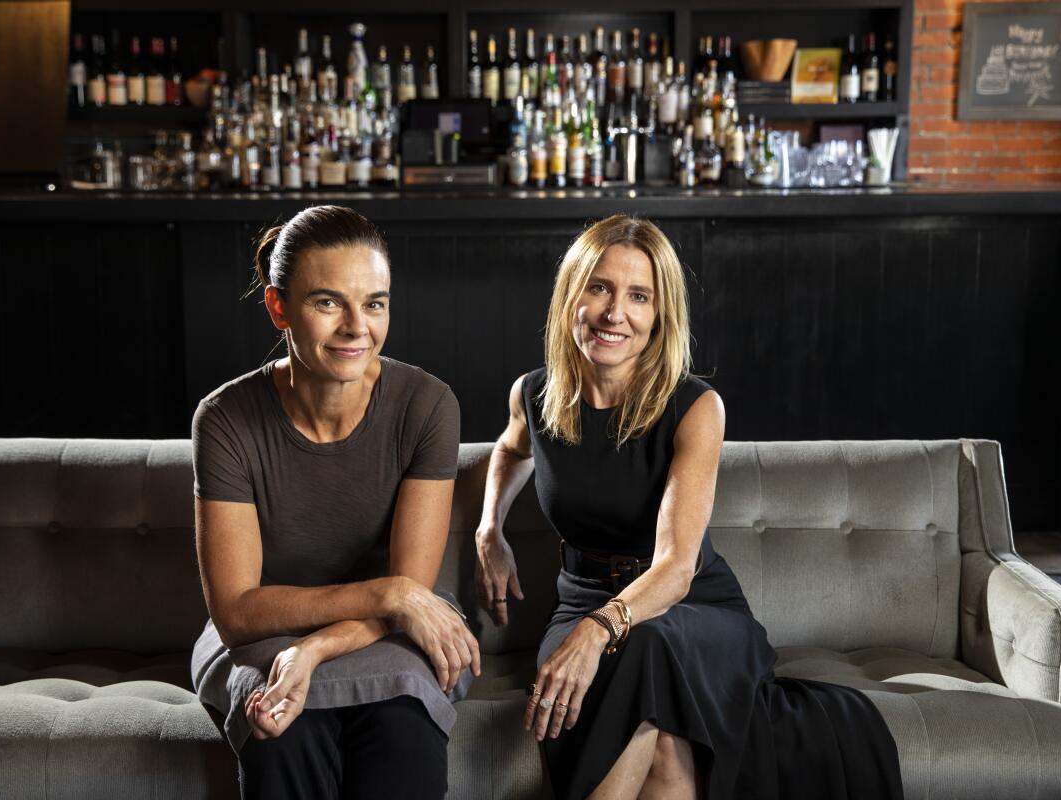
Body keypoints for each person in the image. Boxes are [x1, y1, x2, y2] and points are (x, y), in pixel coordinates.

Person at [474, 214, 903, 800]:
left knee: (646, 651)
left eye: (638, 296)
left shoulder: (695, 407)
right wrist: (488, 530)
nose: (613, 313)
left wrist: (597, 633)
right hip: (579, 601)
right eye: (598, 287)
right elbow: (509, 450)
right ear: (571, 295)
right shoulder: (535, 393)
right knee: (666, 747)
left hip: (691, 608)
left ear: (659, 314)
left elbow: (676, 567)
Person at [190, 205, 480, 800]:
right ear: (279, 308)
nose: (357, 327)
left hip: (386, 632)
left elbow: (411, 595)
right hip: (265, 634)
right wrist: (390, 593)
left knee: (404, 731)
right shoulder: (224, 419)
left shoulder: (427, 407)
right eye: (328, 303)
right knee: (280, 734)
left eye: (374, 303)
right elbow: (238, 612)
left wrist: (316, 648)